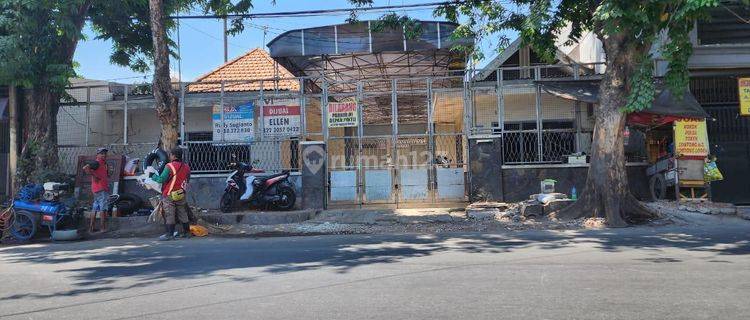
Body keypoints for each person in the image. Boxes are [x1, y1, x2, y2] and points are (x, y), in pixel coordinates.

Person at [151, 147, 191, 241]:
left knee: (170, 214)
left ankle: (170, 234)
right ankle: (187, 232)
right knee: (183, 213)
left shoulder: (169, 166)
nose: (169, 156)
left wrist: (153, 176)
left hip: (169, 194)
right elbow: (187, 179)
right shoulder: (186, 166)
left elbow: (161, 179)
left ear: (173, 155)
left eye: (170, 154)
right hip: (181, 193)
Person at [83, 147, 110, 233]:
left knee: (95, 208)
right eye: (102, 153)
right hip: (101, 188)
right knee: (103, 208)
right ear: (97, 155)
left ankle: (91, 228)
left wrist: (95, 175)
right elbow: (85, 168)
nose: (104, 155)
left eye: (105, 153)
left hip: (96, 189)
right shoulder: (97, 163)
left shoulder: (103, 163)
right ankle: (102, 228)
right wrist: (94, 176)